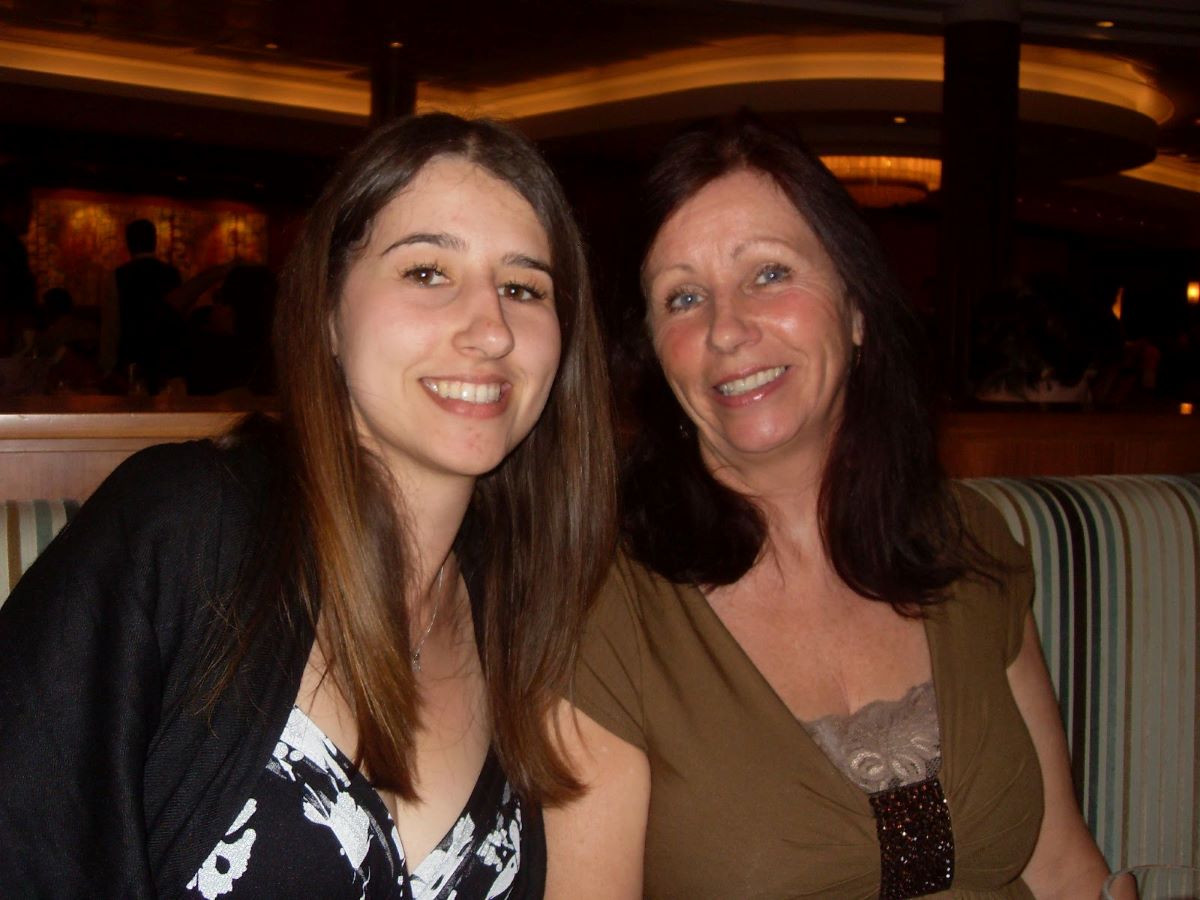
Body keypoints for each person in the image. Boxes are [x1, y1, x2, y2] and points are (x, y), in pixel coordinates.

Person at [0, 112, 615, 898]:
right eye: (427, 271)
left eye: (523, 287)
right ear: (327, 310)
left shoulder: (532, 606)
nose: (491, 329)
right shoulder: (184, 528)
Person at [545, 117, 1110, 898]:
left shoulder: (965, 540)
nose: (727, 328)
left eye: (769, 274)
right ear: (651, 352)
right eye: (683, 297)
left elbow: (1061, 865)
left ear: (855, 307)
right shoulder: (603, 603)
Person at [113, 217, 184, 391]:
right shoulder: (171, 274)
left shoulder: (118, 276)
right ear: (155, 240)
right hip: (167, 355)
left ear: (129, 243)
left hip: (132, 355)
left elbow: (112, 324)